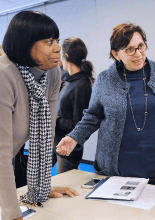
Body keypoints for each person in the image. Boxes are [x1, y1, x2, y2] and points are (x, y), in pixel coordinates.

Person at [0, 11, 78, 220]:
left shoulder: (52, 73)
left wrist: (40, 188)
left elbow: (45, 135)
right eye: (49, 41)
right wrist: (13, 215)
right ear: (25, 43)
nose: (58, 48)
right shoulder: (0, 74)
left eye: (57, 40)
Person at [57, 22, 155, 190]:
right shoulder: (106, 80)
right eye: (129, 49)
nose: (138, 54)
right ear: (116, 54)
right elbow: (92, 116)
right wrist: (74, 137)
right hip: (120, 177)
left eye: (141, 46)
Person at [54, 37, 95, 173]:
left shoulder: (82, 85)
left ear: (66, 55)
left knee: (65, 188)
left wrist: (55, 120)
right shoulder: (68, 81)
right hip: (56, 143)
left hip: (68, 150)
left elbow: (80, 124)